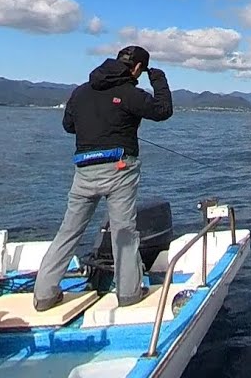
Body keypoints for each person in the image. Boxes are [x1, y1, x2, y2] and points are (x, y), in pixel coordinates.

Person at [33, 45, 173, 311]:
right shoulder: (130, 93)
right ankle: (129, 294)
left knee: (68, 232)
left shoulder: (80, 92)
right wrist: (159, 79)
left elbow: (68, 126)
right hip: (120, 169)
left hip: (84, 170)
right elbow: (163, 110)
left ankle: (44, 296)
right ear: (137, 69)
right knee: (123, 233)